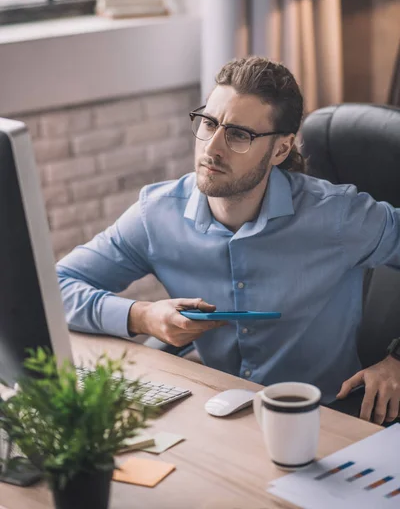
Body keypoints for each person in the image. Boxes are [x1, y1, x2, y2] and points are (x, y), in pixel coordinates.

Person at [57, 56, 400, 425]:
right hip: (216, 412)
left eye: (239, 134)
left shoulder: (338, 215)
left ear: (281, 150)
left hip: (325, 419)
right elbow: (54, 288)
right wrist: (142, 316)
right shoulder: (155, 215)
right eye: (208, 123)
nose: (212, 148)